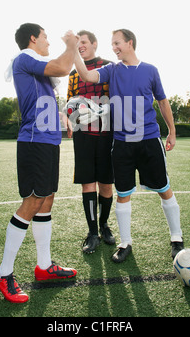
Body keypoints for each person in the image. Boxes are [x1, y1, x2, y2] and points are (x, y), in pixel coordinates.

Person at [73, 29, 184, 263]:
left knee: (164, 188)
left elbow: (163, 102)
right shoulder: (112, 70)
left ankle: (176, 238)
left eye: (117, 43)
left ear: (130, 43)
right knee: (122, 195)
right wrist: (73, 50)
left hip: (149, 140)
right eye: (112, 44)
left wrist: (172, 132)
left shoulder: (150, 70)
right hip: (122, 144)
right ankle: (125, 243)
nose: (114, 47)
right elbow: (87, 76)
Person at [0, 23, 79, 303]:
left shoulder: (37, 64)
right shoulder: (25, 58)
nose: (48, 43)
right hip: (34, 141)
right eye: (45, 37)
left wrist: (62, 118)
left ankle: (44, 266)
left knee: (46, 199)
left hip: (48, 140)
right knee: (33, 201)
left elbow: (47, 95)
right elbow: (62, 67)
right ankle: (4, 273)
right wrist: (71, 45)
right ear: (33, 38)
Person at [66, 30, 115, 254]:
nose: (81, 46)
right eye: (78, 44)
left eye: (83, 42)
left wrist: (100, 110)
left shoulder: (108, 66)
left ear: (94, 44)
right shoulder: (73, 74)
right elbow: (70, 102)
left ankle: (104, 225)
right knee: (88, 183)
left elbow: (116, 98)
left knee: (106, 184)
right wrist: (71, 117)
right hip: (83, 136)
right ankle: (92, 232)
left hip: (106, 136)